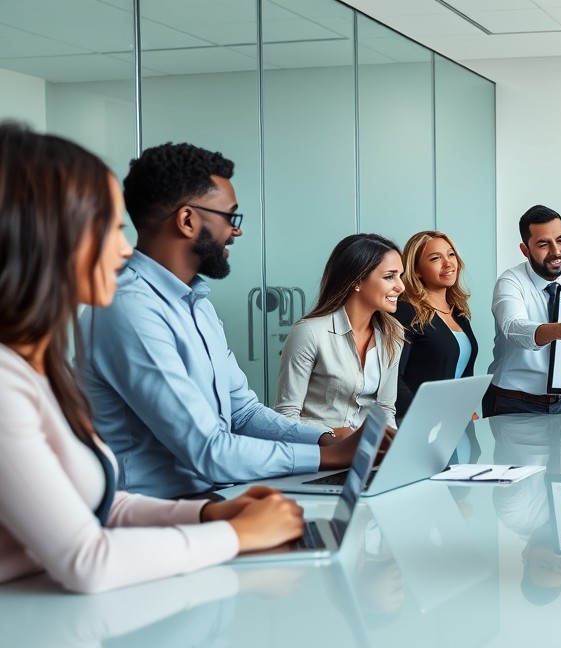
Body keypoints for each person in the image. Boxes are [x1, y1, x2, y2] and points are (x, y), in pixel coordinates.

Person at [0, 123, 303, 593]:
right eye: (107, 227)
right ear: (44, 238)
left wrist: (207, 514)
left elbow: (99, 505)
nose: (124, 247)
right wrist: (235, 534)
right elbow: (87, 560)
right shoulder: (6, 381)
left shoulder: (34, 368)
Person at [78, 141, 366, 500]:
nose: (236, 230)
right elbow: (209, 451)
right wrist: (326, 457)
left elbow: (242, 413)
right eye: (231, 217)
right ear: (187, 220)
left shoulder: (195, 302)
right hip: (151, 514)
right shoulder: (128, 308)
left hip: (214, 496)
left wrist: (327, 438)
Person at [275, 233, 404, 430]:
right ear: (357, 281)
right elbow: (286, 416)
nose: (401, 286)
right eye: (389, 277)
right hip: (321, 453)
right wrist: (332, 436)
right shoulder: (309, 333)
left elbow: (386, 409)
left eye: (400, 276)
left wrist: (390, 451)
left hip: (368, 454)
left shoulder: (393, 333)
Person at [484, 204, 561, 416]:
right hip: (514, 401)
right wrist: (558, 330)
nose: (556, 251)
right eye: (544, 244)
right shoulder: (510, 281)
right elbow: (514, 328)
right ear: (525, 250)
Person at [394, 230, 479, 422]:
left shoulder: (459, 312)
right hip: (422, 424)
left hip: (456, 422)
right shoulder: (406, 311)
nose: (448, 263)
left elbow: (465, 374)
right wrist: (425, 416)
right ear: (416, 270)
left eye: (451, 254)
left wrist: (468, 408)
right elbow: (393, 380)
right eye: (435, 258)